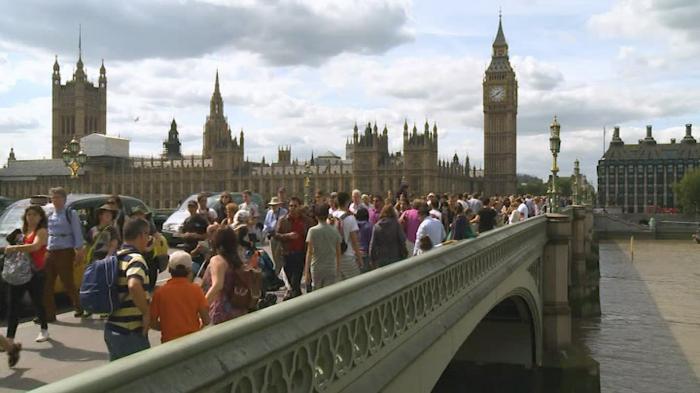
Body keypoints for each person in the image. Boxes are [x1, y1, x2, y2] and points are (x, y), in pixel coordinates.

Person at [104, 218, 152, 361]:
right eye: (147, 235)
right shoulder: (136, 259)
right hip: (130, 331)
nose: (148, 239)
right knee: (142, 378)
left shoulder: (116, 257)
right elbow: (133, 284)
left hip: (112, 328)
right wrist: (146, 313)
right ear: (141, 235)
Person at [4, 205, 50, 343]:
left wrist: (14, 248)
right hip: (19, 272)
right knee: (13, 305)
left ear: (41, 217)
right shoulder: (23, 231)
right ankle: (9, 339)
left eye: (35, 215)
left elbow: (36, 246)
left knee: (37, 302)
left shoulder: (41, 231)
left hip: (35, 272)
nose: (31, 217)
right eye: (29, 215)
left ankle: (44, 329)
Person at [149, 251, 210, 343]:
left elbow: (152, 322)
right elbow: (206, 320)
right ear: (189, 270)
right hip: (192, 341)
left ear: (169, 269)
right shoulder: (196, 290)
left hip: (169, 343)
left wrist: (167, 327)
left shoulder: (160, 293)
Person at [44, 187, 84, 321]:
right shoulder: (50, 214)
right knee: (47, 283)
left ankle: (78, 305)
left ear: (64, 199)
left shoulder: (70, 213)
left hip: (65, 250)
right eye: (53, 198)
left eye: (58, 197)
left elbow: (77, 232)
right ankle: (49, 314)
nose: (55, 200)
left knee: (67, 282)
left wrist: (79, 250)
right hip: (51, 250)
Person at [202, 226, 248, 324]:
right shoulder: (237, 261)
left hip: (220, 312)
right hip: (238, 311)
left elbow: (217, 285)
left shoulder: (217, 260)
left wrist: (201, 308)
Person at [275, 197, 314, 299]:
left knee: (295, 281)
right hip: (287, 254)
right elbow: (276, 235)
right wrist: (288, 236)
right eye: (291, 206)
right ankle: (299, 300)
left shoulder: (306, 221)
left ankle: (293, 302)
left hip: (300, 254)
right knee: (293, 285)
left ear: (299, 207)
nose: (292, 208)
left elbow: (312, 235)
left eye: (295, 206)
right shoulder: (283, 220)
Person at [304, 204, 341, 290]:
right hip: (330, 267)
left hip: (316, 267)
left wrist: (306, 272)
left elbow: (309, 252)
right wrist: (338, 270)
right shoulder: (334, 230)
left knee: (316, 294)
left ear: (316, 216)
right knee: (329, 295)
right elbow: (338, 253)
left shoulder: (312, 231)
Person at [332, 192, 363, 280]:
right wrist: (359, 258)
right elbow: (354, 241)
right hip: (347, 255)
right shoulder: (350, 218)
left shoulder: (330, 217)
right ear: (347, 202)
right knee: (354, 285)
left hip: (333, 257)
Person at [181, 200, 209, 274]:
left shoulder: (202, 220)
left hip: (198, 248)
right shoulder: (187, 220)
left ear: (196, 207)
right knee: (187, 270)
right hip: (187, 248)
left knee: (199, 271)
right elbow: (181, 234)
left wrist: (198, 236)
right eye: (189, 207)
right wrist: (186, 235)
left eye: (193, 207)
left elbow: (208, 234)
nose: (191, 208)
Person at [263, 197, 288, 275]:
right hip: (272, 236)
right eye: (272, 205)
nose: (273, 207)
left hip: (280, 236)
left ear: (279, 205)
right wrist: (264, 233)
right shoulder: (269, 212)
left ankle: (277, 273)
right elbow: (266, 224)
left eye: (275, 205)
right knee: (274, 256)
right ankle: (278, 271)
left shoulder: (284, 212)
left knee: (279, 255)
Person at [355, 208, 373, 272]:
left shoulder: (354, 226)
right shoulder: (369, 226)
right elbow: (371, 242)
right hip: (366, 255)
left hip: (355, 255)